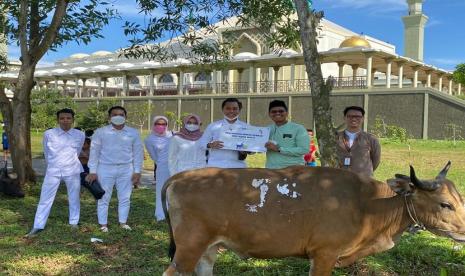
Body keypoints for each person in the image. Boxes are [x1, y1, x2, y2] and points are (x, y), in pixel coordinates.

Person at [26, 108, 85, 237]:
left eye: (68, 118)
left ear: (72, 120)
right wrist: (53, 165)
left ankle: (74, 222)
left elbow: (78, 151)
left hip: (72, 170)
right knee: (45, 199)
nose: (65, 120)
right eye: (62, 118)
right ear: (58, 120)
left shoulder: (80, 135)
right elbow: (47, 153)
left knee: (74, 197)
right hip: (53, 170)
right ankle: (38, 225)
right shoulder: (49, 134)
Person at [86, 106, 144, 232]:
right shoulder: (100, 132)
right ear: (109, 117)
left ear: (125, 117)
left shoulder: (133, 133)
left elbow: (138, 153)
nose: (118, 117)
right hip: (105, 168)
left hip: (126, 168)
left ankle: (123, 222)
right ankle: (103, 225)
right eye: (114, 114)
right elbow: (94, 153)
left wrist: (138, 171)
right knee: (103, 197)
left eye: (121, 114)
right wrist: (93, 171)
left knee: (125, 197)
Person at [199, 98, 249, 168]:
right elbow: (201, 143)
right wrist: (210, 145)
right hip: (215, 165)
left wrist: (246, 150)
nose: (231, 111)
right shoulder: (213, 126)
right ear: (223, 109)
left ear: (239, 110)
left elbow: (251, 147)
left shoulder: (246, 127)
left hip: (238, 166)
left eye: (235, 108)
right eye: (228, 108)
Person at [336, 106, 381, 177]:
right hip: (340, 179)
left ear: (362, 119)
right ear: (344, 118)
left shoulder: (371, 139)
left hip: (363, 181)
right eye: (350, 116)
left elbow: (376, 161)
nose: (353, 119)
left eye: (358, 116)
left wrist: (365, 171)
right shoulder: (335, 137)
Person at [265, 100, 309, 169]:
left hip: (294, 170)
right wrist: (248, 150)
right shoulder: (266, 130)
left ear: (287, 113)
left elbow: (304, 149)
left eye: (281, 111)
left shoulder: (298, 128)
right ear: (269, 114)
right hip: (271, 170)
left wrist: (279, 149)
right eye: (274, 111)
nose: (277, 113)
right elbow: (258, 147)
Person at [144, 116, 172, 221]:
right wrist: (162, 163)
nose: (161, 126)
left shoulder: (172, 135)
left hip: (176, 166)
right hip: (162, 167)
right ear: (153, 125)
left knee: (174, 190)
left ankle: (174, 212)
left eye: (163, 124)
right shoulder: (149, 139)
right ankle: (161, 214)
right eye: (158, 124)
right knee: (162, 189)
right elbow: (154, 156)